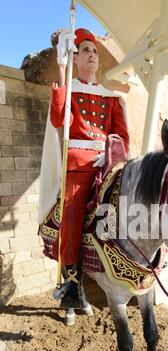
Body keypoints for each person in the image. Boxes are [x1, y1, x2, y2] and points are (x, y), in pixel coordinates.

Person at [41, 28, 129, 309]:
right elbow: (58, 119)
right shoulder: (68, 88)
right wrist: (62, 65)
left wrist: (110, 155)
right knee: (72, 215)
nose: (91, 54)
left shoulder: (111, 97)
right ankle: (70, 288)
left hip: (107, 166)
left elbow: (122, 136)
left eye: (94, 50)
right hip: (77, 167)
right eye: (85, 50)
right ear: (76, 58)